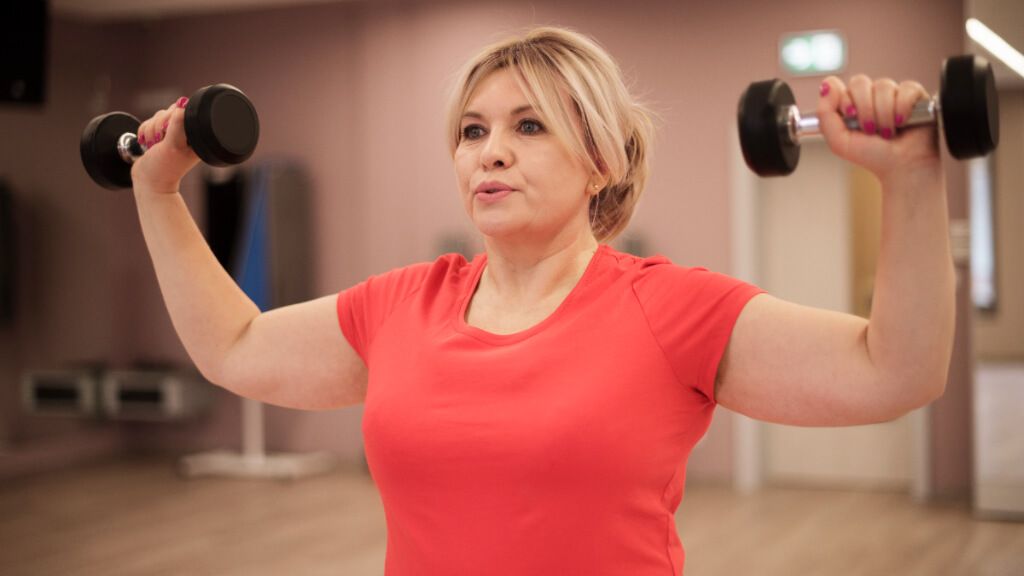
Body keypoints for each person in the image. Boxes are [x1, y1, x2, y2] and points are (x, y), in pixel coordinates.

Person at [128, 25, 954, 576]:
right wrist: (158, 195)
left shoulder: (670, 310)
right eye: (472, 130)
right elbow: (232, 346)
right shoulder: (399, 306)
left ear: (601, 161)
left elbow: (894, 371)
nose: (491, 152)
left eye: (529, 128)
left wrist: (910, 181)